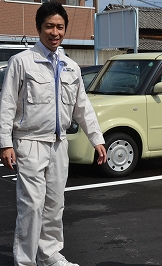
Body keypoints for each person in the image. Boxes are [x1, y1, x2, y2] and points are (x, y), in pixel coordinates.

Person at [0, 2, 107, 266]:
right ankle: (25, 261)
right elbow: (7, 105)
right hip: (29, 142)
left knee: (54, 205)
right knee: (32, 207)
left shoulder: (71, 66)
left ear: (65, 29)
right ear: (39, 28)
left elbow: (82, 106)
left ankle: (49, 255)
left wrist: (97, 139)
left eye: (60, 26)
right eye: (49, 26)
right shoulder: (21, 62)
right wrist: (5, 143)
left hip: (59, 144)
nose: (55, 32)